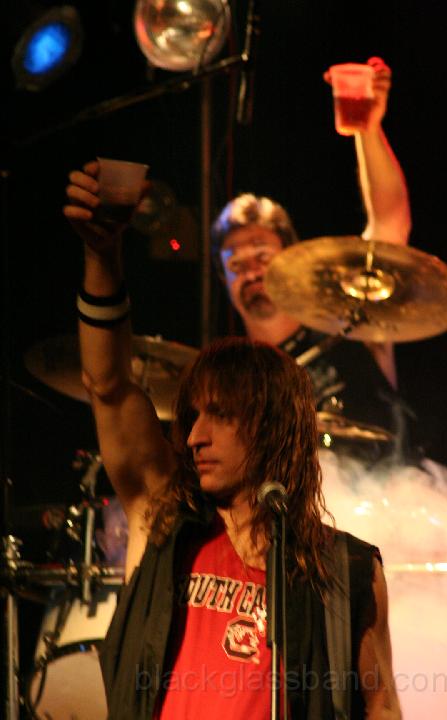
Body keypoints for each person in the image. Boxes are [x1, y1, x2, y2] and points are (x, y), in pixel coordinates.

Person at [62, 171, 402, 718]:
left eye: (219, 416)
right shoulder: (165, 524)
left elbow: (381, 707)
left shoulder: (347, 568)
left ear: (271, 425)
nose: (194, 436)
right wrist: (102, 256)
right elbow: (108, 385)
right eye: (193, 416)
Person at [211, 57, 416, 463]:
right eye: (236, 265)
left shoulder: (349, 323)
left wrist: (368, 130)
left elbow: (390, 223)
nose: (251, 272)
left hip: (393, 497)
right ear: (223, 281)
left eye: (263, 256)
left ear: (291, 259)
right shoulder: (233, 380)